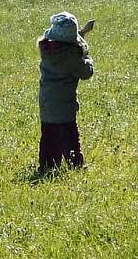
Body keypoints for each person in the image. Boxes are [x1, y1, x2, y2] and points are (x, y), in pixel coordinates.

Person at [38, 12, 95, 172]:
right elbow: (86, 72)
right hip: (64, 104)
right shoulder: (71, 57)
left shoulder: (47, 50)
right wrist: (88, 58)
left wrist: (82, 34)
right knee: (69, 135)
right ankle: (75, 163)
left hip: (46, 101)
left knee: (49, 134)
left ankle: (48, 165)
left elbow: (71, 46)